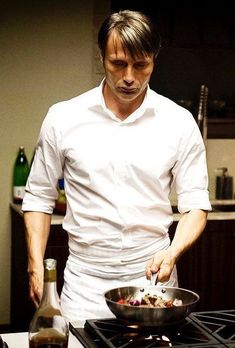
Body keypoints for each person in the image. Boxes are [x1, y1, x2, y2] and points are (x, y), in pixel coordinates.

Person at [22, 9, 211, 322]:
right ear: (102, 57)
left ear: (154, 59)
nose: (129, 77)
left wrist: (173, 252)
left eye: (141, 65)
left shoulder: (178, 122)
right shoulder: (63, 117)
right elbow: (38, 197)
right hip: (85, 282)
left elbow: (195, 205)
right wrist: (34, 264)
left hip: (152, 280)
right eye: (118, 63)